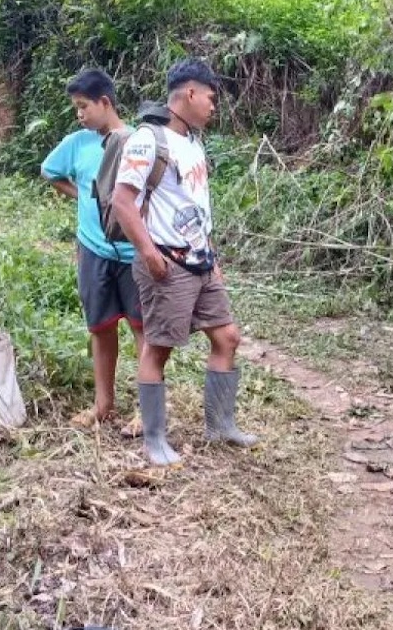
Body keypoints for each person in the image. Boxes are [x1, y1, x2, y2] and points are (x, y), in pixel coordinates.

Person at [112, 57, 259, 466]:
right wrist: (147, 252)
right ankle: (155, 440)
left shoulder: (193, 142)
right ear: (190, 93)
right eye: (211, 97)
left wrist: (211, 254)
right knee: (159, 348)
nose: (214, 106)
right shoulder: (147, 140)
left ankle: (220, 425)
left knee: (226, 336)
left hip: (200, 260)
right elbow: (123, 201)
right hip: (166, 262)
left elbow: (196, 205)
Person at [41, 68, 145, 436]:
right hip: (93, 250)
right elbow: (50, 171)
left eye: (84, 106)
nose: (80, 114)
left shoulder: (138, 142)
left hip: (134, 254)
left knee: (142, 329)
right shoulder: (77, 143)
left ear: (105, 102)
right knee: (101, 328)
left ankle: (146, 411)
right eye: (76, 108)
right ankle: (104, 405)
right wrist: (83, 197)